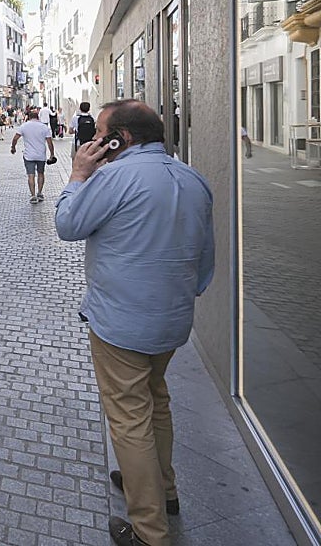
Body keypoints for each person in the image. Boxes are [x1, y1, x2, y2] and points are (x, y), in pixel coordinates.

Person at [55, 100, 214, 546]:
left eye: (100, 134)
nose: (93, 142)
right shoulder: (192, 178)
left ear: (118, 140)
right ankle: (165, 489)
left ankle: (149, 530)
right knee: (156, 399)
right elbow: (205, 259)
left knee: (129, 419)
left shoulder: (114, 176)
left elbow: (68, 224)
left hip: (121, 322)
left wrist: (78, 175)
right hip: (172, 318)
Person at [11, 109, 56, 203]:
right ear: (38, 117)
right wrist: (52, 154)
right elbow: (49, 142)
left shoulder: (24, 126)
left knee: (30, 175)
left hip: (28, 155)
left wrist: (13, 147)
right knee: (41, 173)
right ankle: (39, 193)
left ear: (29, 117)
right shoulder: (44, 127)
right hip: (41, 155)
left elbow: (15, 138)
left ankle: (33, 195)